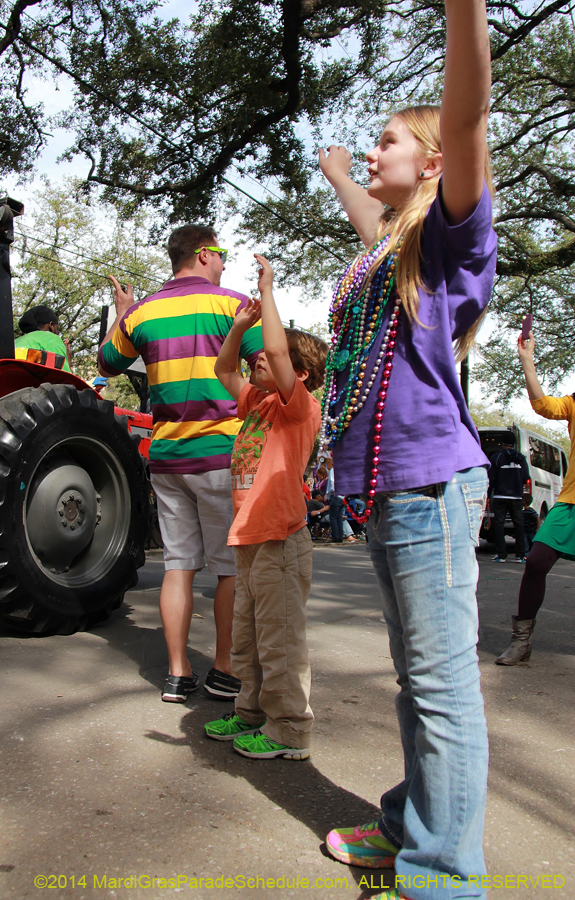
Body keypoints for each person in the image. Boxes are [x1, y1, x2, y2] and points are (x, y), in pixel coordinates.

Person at [317, 2, 495, 898]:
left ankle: (442, 876)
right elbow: (370, 220)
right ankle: (409, 825)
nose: (371, 149)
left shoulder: (452, 236)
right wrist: (341, 175)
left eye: (384, 140)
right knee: (418, 681)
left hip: (432, 486)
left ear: (430, 162)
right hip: (394, 489)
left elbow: (464, 116)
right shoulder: (392, 249)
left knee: (440, 687)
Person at [98, 225, 262, 703]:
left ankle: (176, 673)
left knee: (178, 565)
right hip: (221, 456)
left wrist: (124, 312)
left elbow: (107, 362)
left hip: (168, 458)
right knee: (229, 569)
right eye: (223, 254)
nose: (226, 263)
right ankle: (225, 669)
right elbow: (264, 366)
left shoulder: (144, 312)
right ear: (205, 254)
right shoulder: (231, 305)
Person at [204, 255, 328, 760]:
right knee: (249, 637)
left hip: (280, 538)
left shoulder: (299, 407)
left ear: (297, 373)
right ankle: (251, 712)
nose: (260, 357)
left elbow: (275, 347)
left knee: (280, 642)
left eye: (271, 359)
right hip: (250, 538)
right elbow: (224, 368)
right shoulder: (257, 403)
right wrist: (238, 326)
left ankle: (290, 731)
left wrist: (269, 291)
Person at [496, 330, 575, 666]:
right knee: (537, 561)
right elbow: (543, 405)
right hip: (571, 503)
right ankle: (522, 640)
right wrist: (527, 360)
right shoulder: (574, 402)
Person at [488, 435, 529, 563]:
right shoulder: (521, 458)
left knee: (499, 524)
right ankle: (520, 555)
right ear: (514, 444)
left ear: (502, 443)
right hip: (516, 496)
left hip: (500, 495)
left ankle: (501, 555)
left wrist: (489, 494)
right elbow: (526, 476)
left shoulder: (497, 457)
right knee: (519, 524)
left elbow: (492, 478)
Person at [14, 305, 72, 371]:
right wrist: (67, 359)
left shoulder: (15, 342)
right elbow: (63, 378)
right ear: (51, 325)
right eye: (57, 328)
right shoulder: (51, 339)